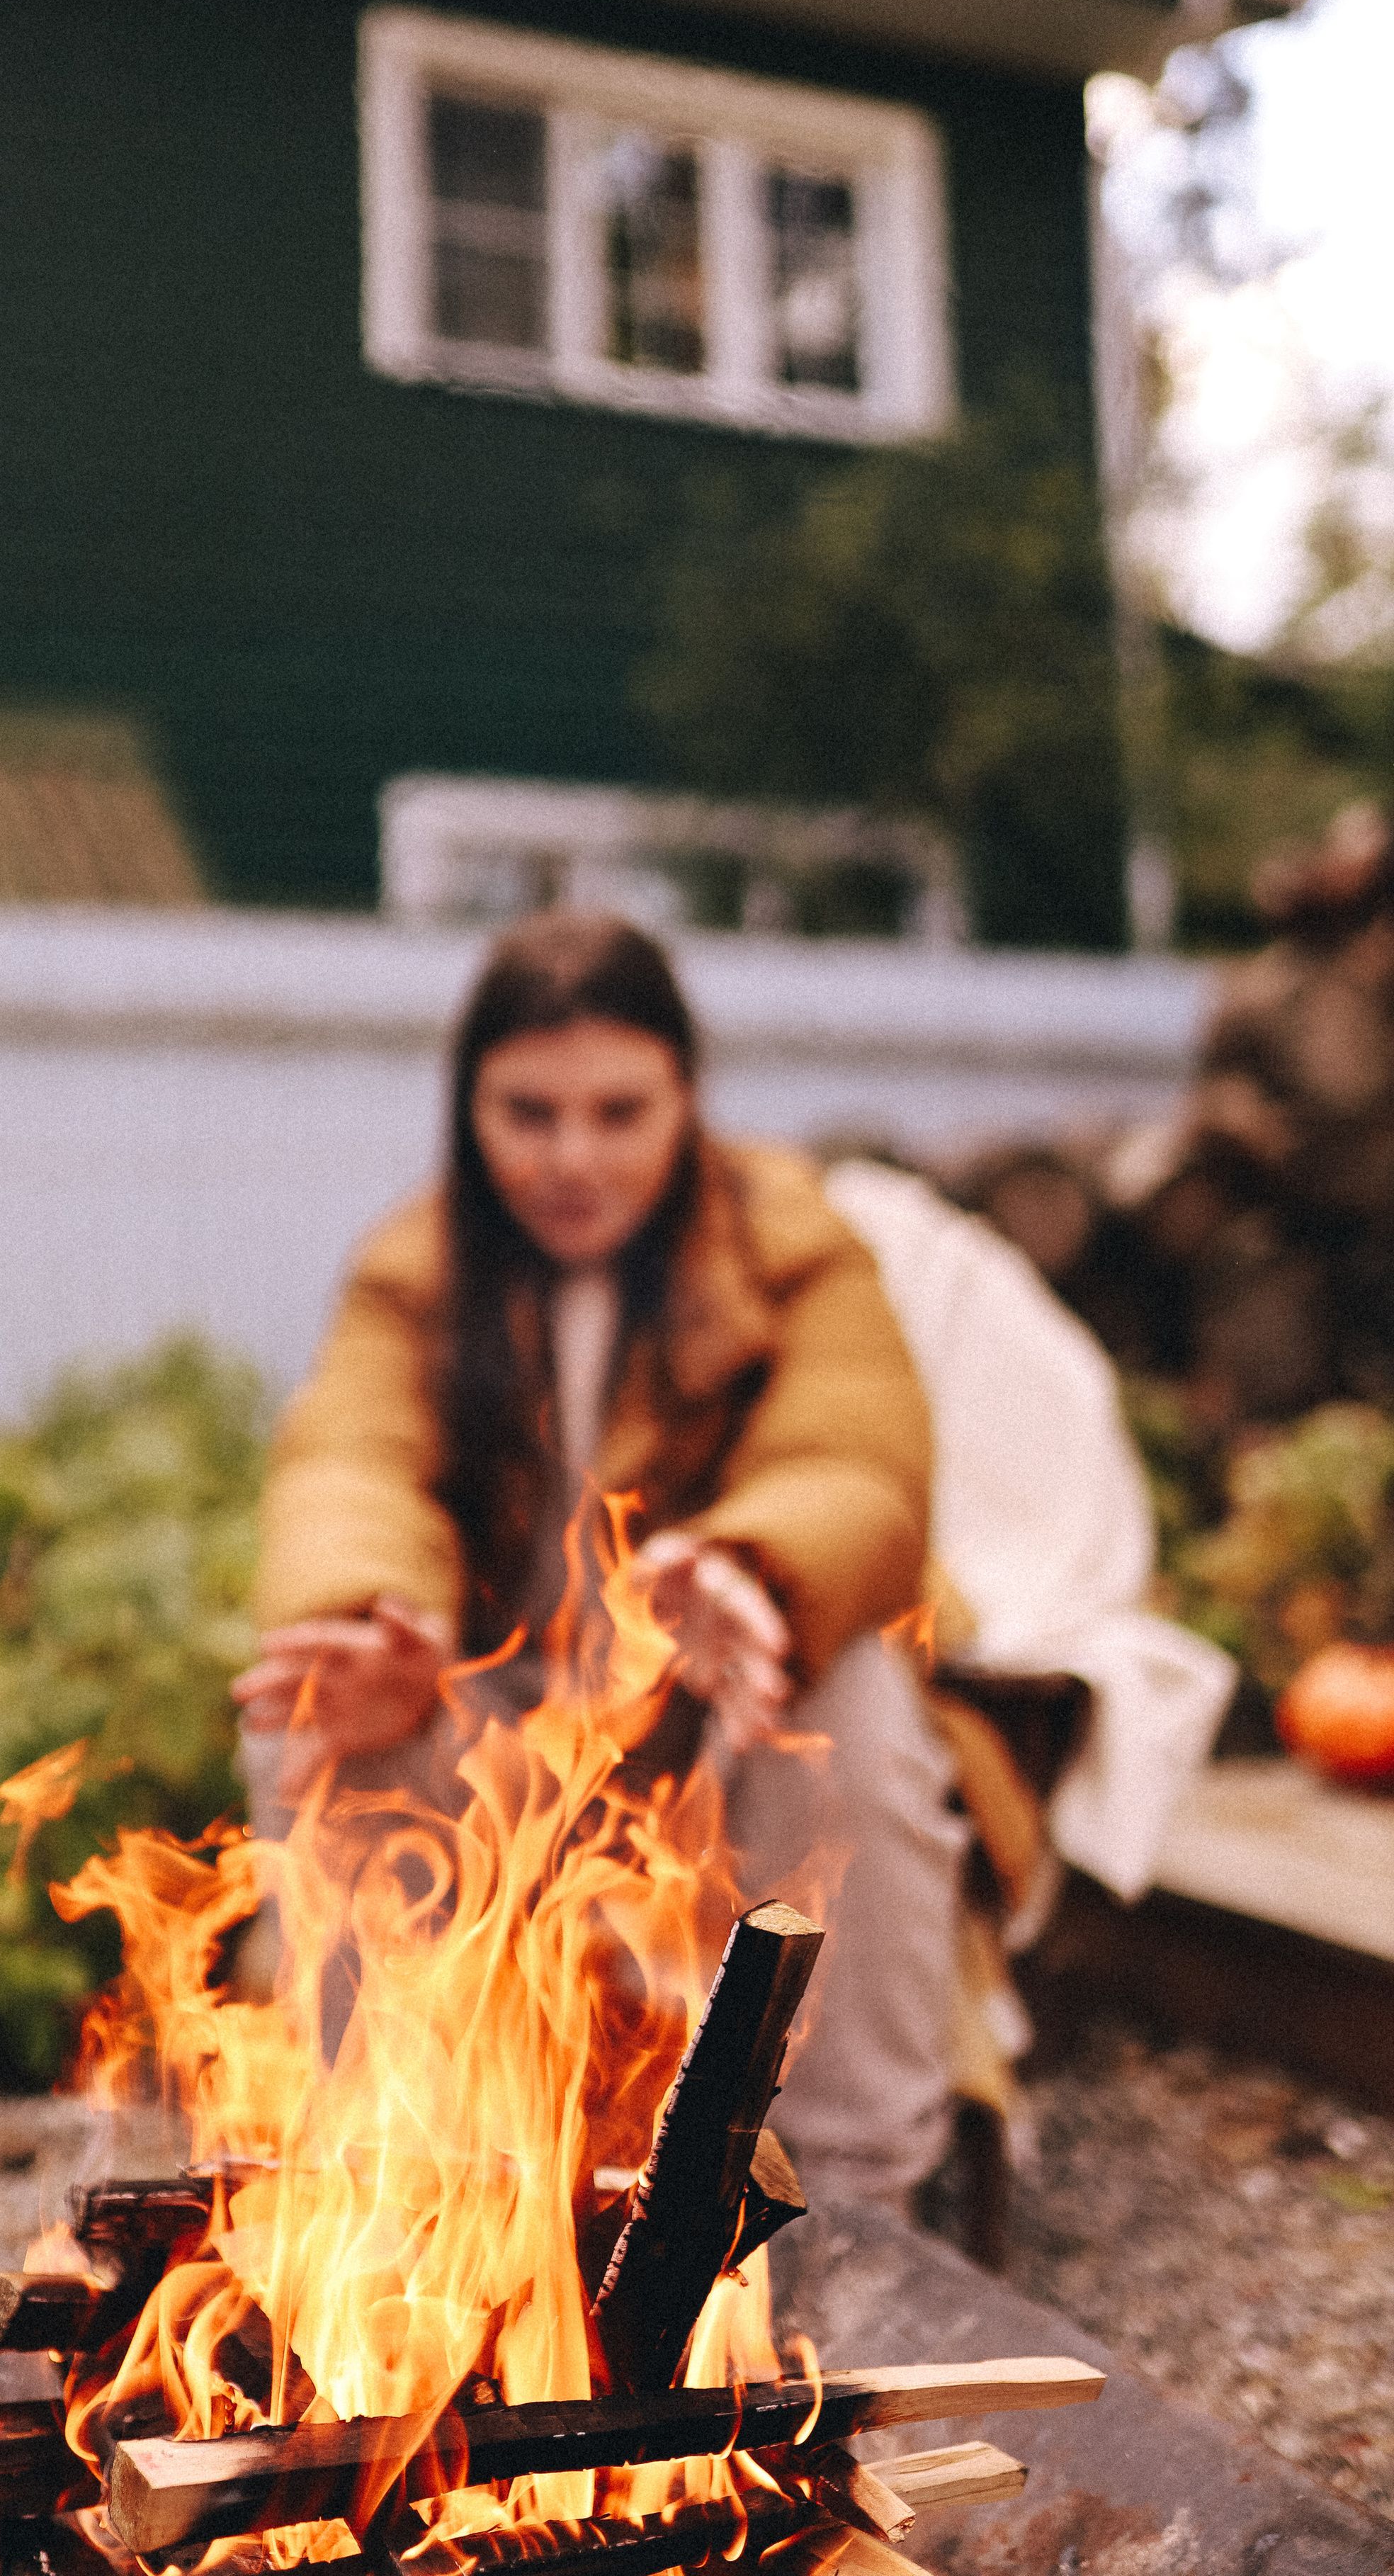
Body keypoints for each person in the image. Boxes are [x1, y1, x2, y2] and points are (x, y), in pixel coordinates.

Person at [232, 913, 965, 2206]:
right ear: (470, 1109)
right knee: (315, 1709)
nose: (572, 1158)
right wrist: (369, 1623)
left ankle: (857, 2203)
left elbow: (859, 1462)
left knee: (855, 1706)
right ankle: (388, 2196)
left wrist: (754, 1574)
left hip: (709, 1714)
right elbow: (348, 1464)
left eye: (619, 1112)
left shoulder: (796, 1246)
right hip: (508, 1733)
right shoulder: (413, 1268)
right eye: (530, 1112)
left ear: (688, 1101)